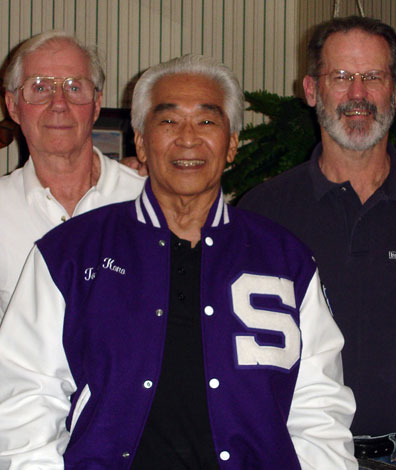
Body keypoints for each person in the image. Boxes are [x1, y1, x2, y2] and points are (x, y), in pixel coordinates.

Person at [0, 54, 357, 469]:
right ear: (140, 142)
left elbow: (320, 406)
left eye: (207, 121)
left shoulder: (284, 257)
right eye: (168, 121)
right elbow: (25, 398)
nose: (188, 138)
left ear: (232, 144)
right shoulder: (70, 252)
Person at [239, 15, 396, 470]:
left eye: (373, 77)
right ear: (310, 90)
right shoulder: (262, 211)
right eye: (340, 77)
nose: (357, 94)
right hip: (305, 454)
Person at [0, 30, 145, 319]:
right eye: (40, 87)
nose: (59, 103)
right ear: (13, 106)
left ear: (96, 105)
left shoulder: (146, 200)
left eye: (74, 87)